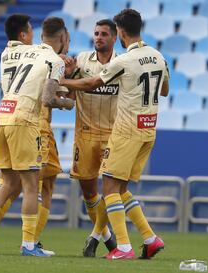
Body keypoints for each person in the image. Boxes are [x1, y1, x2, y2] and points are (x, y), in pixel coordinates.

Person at [60, 9, 169, 260]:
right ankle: (150, 238)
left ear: (120, 32)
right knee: (119, 189)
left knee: (109, 187)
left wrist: (63, 83)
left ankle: (124, 247)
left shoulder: (123, 61)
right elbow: (163, 89)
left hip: (126, 130)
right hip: (148, 130)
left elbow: (91, 84)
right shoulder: (158, 56)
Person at [0, 14, 74, 257]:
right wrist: (66, 103)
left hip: (2, 115)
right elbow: (48, 99)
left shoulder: (27, 52)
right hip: (24, 120)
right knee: (30, 186)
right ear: (63, 38)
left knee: (7, 182)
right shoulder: (54, 60)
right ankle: (28, 245)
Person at [67, 19, 119, 257]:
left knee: (111, 190)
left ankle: (94, 237)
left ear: (114, 38)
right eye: (96, 33)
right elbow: (68, 94)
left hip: (112, 135)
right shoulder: (81, 60)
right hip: (85, 134)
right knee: (88, 192)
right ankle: (107, 236)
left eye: (104, 34)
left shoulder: (122, 63)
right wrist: (67, 75)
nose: (99, 37)